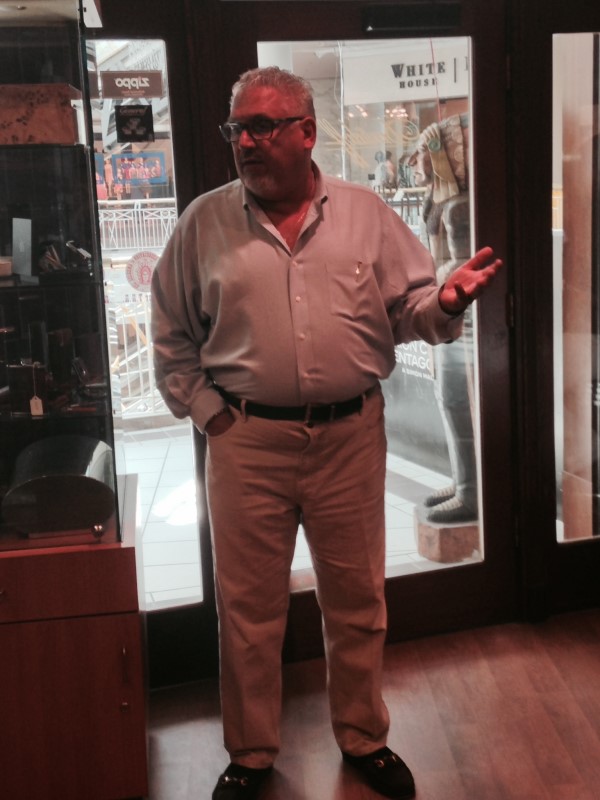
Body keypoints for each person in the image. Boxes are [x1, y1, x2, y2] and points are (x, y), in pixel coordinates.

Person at [151, 66, 502, 800]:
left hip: (349, 439)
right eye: (237, 128)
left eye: (262, 126)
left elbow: (409, 309)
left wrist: (444, 303)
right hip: (247, 444)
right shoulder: (203, 225)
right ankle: (251, 753)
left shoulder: (367, 215)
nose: (246, 142)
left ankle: (364, 737)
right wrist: (212, 416)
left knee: (356, 601)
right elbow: (171, 337)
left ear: (306, 132)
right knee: (248, 610)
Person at [409, 114, 478, 524]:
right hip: (445, 314)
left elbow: (461, 265)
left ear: (440, 154)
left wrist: (427, 279)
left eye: (422, 151)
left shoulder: (457, 207)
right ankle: (463, 480)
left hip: (463, 322)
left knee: (459, 404)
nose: (414, 162)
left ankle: (471, 491)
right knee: (450, 403)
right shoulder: (440, 201)